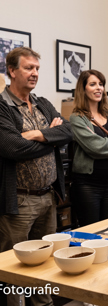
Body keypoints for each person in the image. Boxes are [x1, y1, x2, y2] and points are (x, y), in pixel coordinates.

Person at [0, 47, 72, 306]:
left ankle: (44, 304)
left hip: (48, 198)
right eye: (29, 68)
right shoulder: (2, 106)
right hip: (19, 202)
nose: (35, 73)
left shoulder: (42, 102)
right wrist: (50, 137)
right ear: (12, 71)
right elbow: (12, 148)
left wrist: (35, 134)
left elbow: (69, 131)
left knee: (45, 262)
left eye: (37, 69)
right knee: (14, 267)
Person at [70, 69, 108, 226]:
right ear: (83, 89)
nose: (98, 88)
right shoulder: (77, 118)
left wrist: (106, 149)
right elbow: (95, 147)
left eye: (101, 84)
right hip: (87, 186)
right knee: (90, 232)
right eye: (93, 84)